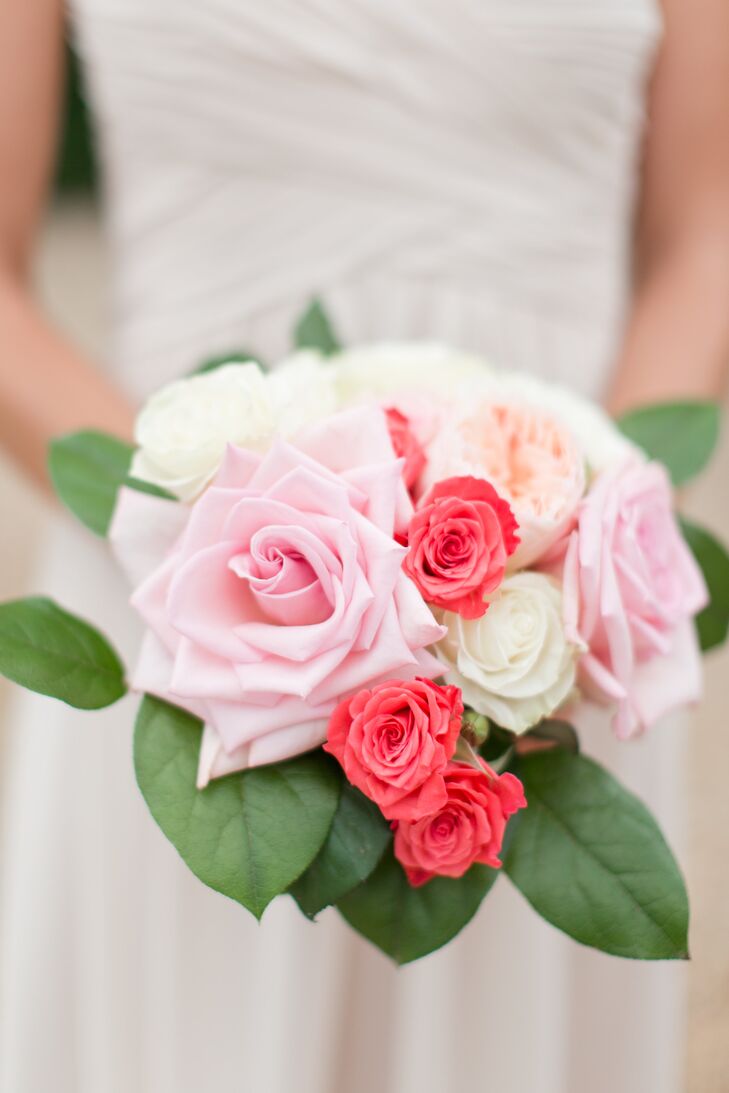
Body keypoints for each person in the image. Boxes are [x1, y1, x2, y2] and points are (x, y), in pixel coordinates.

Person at [1, 1, 728, 1091]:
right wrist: (203, 529)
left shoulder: (554, 605)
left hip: (540, 650)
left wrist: (587, 545)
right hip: (193, 621)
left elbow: (708, 224)